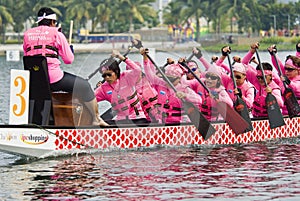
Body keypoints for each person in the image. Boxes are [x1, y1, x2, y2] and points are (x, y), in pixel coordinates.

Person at [23, 7, 108, 126]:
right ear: (53, 22)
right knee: (84, 86)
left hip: (34, 80)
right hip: (53, 79)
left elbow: (28, 56)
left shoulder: (27, 34)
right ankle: (96, 119)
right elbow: (69, 60)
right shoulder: (57, 34)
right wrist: (69, 49)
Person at [140, 48, 202, 124]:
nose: (169, 81)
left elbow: (199, 100)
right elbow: (149, 74)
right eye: (167, 78)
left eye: (172, 80)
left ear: (179, 78)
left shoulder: (184, 88)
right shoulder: (161, 83)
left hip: (180, 123)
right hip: (163, 122)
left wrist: (185, 95)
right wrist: (145, 58)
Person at [94, 50, 148, 125]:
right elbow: (89, 100)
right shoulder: (103, 88)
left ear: (116, 71)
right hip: (121, 120)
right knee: (99, 125)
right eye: (104, 75)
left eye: (109, 74)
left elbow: (138, 70)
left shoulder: (127, 77)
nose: (106, 78)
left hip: (137, 118)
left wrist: (121, 57)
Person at [242, 43, 284, 118]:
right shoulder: (256, 80)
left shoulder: (275, 88)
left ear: (271, 76)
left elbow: (281, 103)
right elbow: (243, 65)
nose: (260, 80)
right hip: (256, 117)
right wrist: (252, 51)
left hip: (270, 119)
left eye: (263, 77)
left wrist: (271, 94)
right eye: (259, 77)